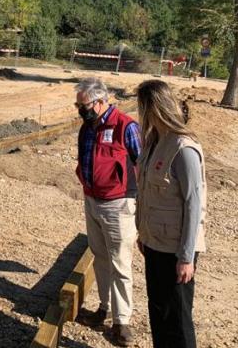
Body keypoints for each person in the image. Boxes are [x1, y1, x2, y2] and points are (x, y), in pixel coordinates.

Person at [135, 80, 207, 348]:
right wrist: (142, 232)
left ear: (155, 108)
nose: (140, 114)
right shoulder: (154, 141)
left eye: (143, 107)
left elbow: (193, 204)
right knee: (159, 311)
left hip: (176, 250)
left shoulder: (184, 148)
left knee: (177, 318)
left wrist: (186, 257)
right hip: (154, 242)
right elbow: (146, 193)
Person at [73, 77, 141, 346]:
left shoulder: (126, 126)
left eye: (84, 104)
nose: (80, 109)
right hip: (92, 201)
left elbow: (142, 165)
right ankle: (104, 308)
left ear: (101, 102)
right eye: (78, 105)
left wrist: (142, 206)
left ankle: (122, 321)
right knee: (100, 257)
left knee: (120, 262)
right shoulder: (87, 127)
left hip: (119, 205)